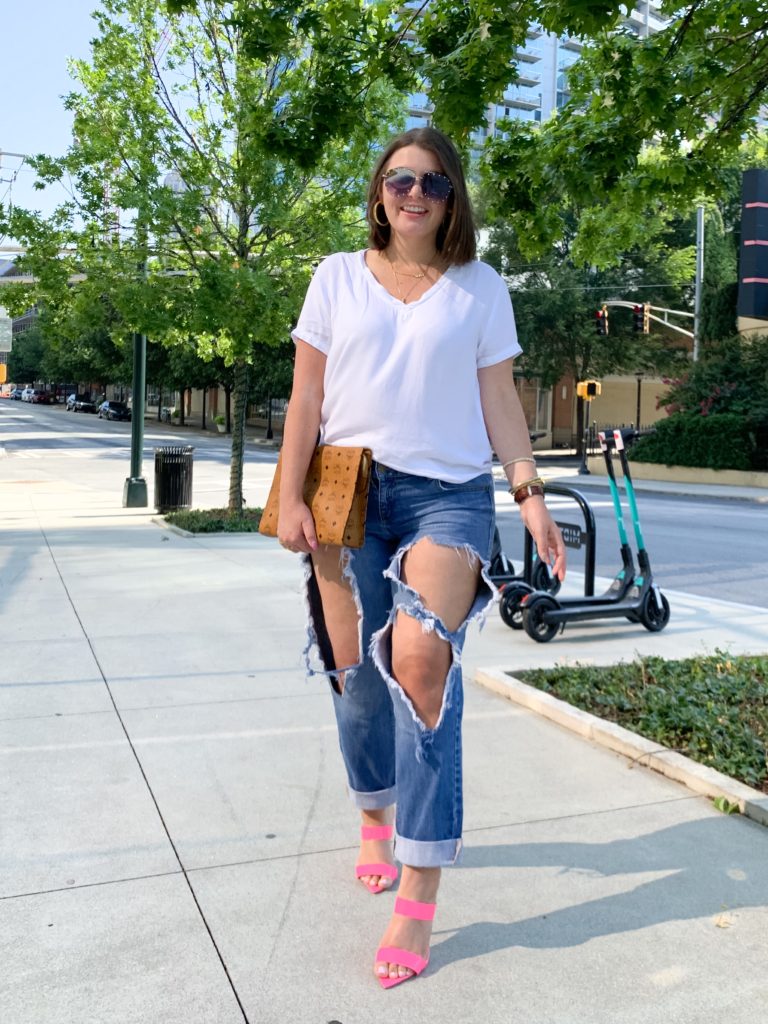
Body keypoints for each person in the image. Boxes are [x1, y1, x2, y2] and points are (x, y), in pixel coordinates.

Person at [277, 126, 566, 988]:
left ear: (452, 199)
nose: (413, 192)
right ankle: (375, 805)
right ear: (378, 192)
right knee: (353, 675)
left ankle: (421, 876)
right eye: (399, 178)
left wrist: (529, 492)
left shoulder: (480, 290)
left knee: (418, 666)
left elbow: (500, 403)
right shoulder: (335, 276)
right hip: (345, 484)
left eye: (432, 183)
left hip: (447, 493)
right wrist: (289, 493)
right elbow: (306, 395)